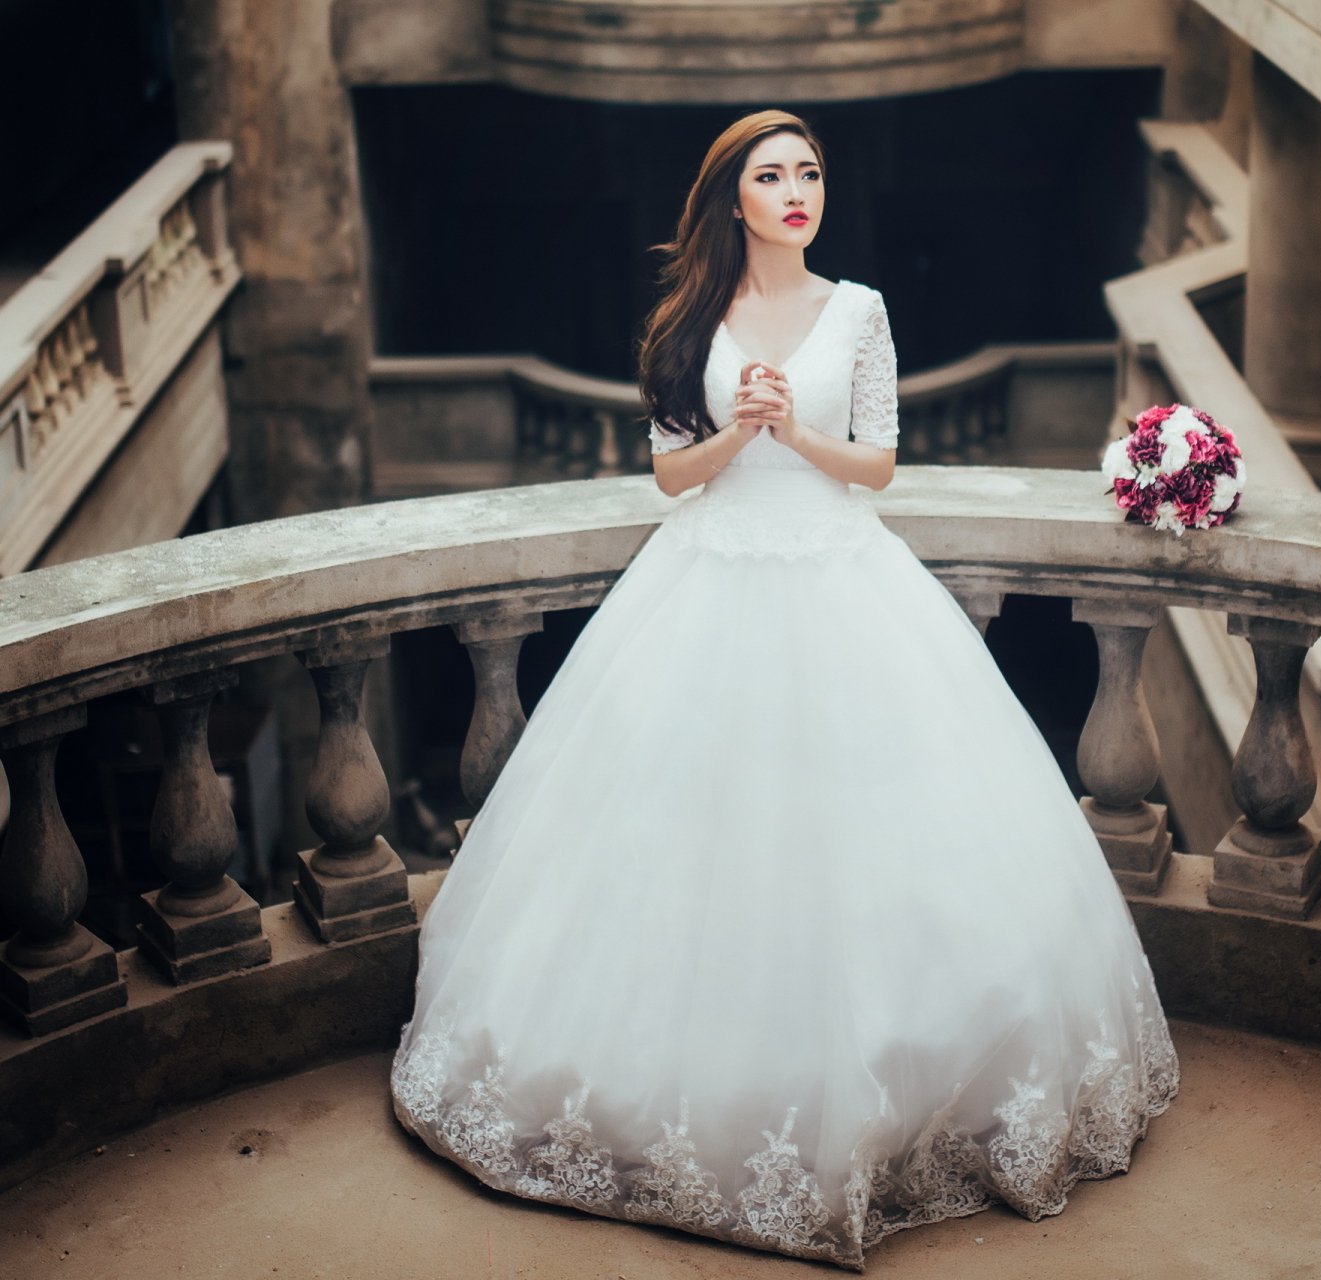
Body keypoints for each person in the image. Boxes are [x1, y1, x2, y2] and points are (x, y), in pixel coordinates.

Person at [389, 108, 1179, 1271]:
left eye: (809, 172)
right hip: (707, 578)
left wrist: (798, 432)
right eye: (773, 174)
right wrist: (735, 433)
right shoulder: (691, 318)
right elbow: (670, 474)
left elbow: (880, 463)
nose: (798, 189)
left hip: (842, 575)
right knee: (689, 840)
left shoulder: (857, 309)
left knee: (874, 839)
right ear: (733, 198)